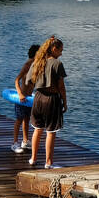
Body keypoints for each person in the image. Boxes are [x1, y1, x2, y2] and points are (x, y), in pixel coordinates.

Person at [26, 37, 66, 169]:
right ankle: (48, 162)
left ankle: (33, 158)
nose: (61, 53)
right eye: (60, 50)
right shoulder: (57, 63)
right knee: (50, 131)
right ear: (54, 49)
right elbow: (61, 86)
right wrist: (65, 102)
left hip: (38, 98)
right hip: (51, 100)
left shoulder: (36, 62)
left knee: (37, 129)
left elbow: (29, 83)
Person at [10, 44, 40, 153]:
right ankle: (14, 143)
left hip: (29, 98)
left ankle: (25, 141)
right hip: (22, 98)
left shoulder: (36, 65)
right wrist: (20, 94)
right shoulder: (28, 64)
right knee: (19, 119)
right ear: (35, 53)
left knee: (27, 119)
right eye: (39, 52)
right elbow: (17, 80)